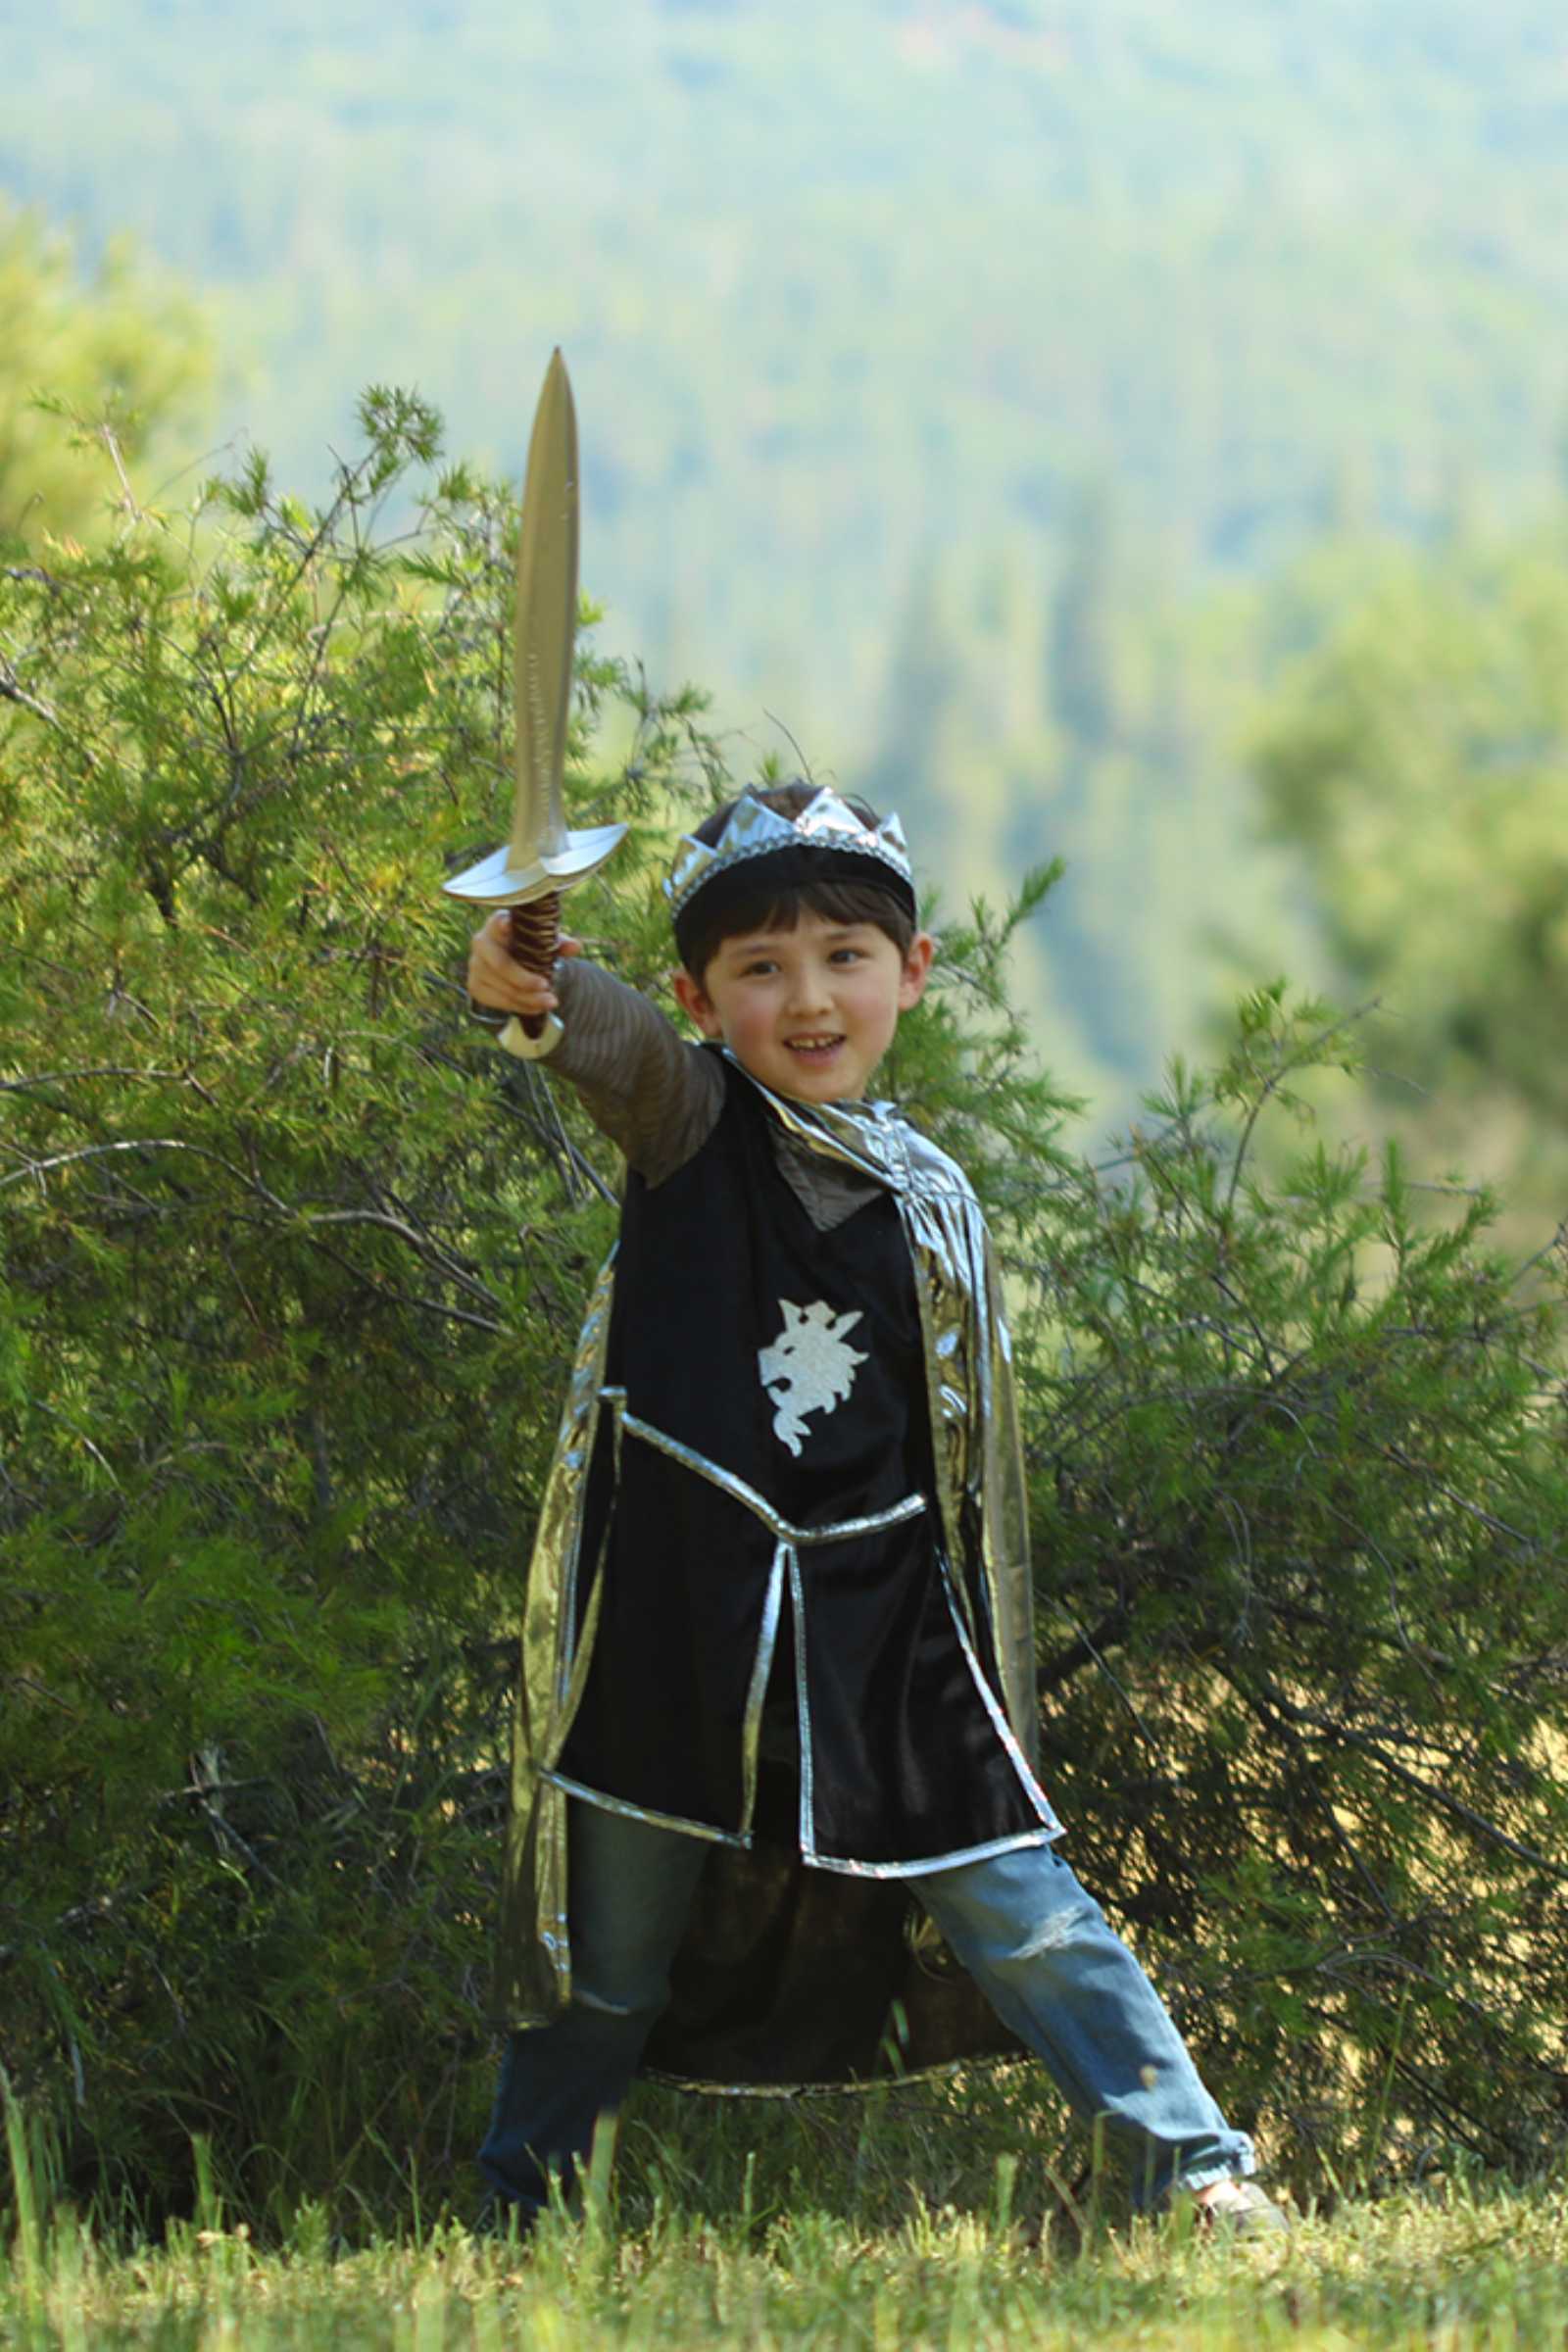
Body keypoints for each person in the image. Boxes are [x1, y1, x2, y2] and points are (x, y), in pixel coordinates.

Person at [466, 781, 1286, 2235]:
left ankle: (1191, 2172)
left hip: (884, 1628)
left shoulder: (929, 1194)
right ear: (700, 998)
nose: (809, 998)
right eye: (760, 968)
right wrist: (537, 988)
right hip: (681, 1618)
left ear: (911, 973)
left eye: (845, 956)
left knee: (1028, 1912)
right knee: (608, 1968)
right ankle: (523, 2213)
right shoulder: (690, 1117)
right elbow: (606, 1047)